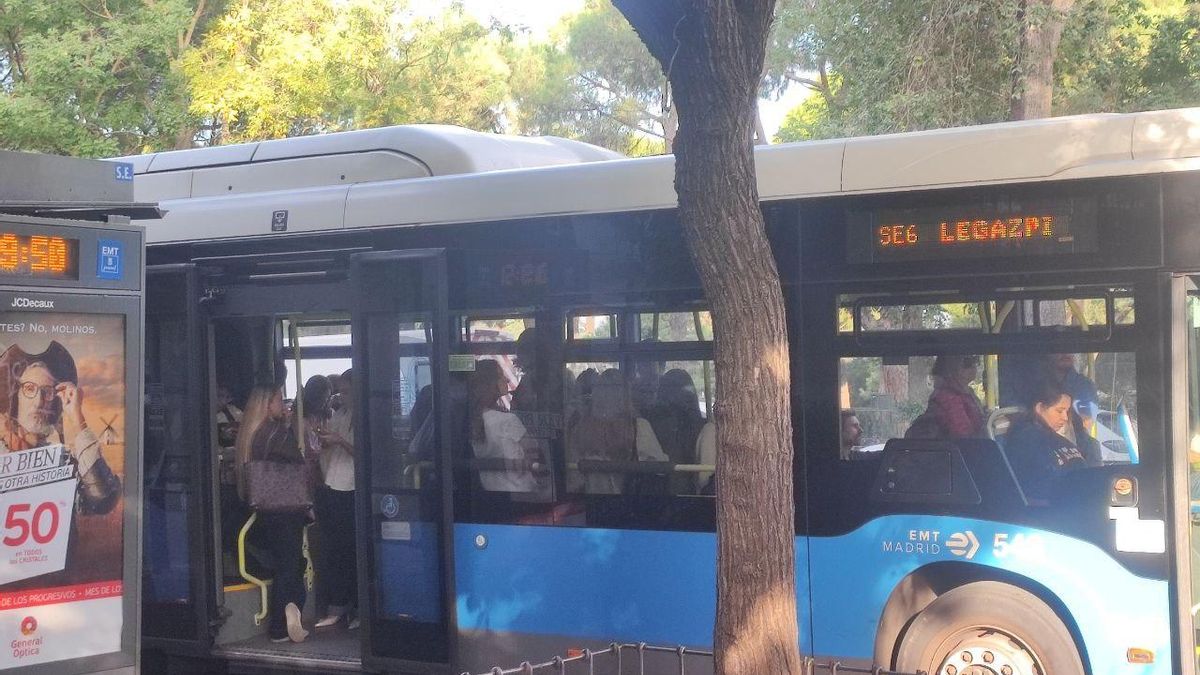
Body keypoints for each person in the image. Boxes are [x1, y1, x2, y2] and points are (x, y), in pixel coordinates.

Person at [0, 341, 120, 514]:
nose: (38, 401)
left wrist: (78, 419)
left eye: (47, 391)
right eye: (29, 388)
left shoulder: (62, 463)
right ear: (16, 397)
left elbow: (102, 500)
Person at [235, 384, 309, 643]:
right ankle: (285, 617)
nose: (282, 403)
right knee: (291, 564)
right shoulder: (276, 433)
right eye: (279, 399)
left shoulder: (250, 434)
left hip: (264, 507)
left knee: (283, 562)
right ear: (267, 405)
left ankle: (287, 613)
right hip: (287, 507)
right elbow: (298, 460)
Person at [566, 368, 668, 495]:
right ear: (626, 394)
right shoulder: (639, 426)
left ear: (596, 393)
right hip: (629, 500)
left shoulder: (581, 428)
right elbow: (659, 467)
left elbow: (574, 478)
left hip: (589, 500)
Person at [314, 369, 358, 630]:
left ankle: (354, 606)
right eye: (340, 392)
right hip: (334, 483)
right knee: (337, 550)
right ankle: (339, 605)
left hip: (353, 488)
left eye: (346, 391)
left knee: (351, 550)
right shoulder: (340, 414)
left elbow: (365, 453)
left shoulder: (366, 415)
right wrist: (326, 440)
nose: (342, 396)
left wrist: (339, 441)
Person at [1004, 378, 1087, 502]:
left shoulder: (1055, 438)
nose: (1065, 418)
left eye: (1067, 411)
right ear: (1039, 408)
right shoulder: (1025, 441)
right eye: (1059, 411)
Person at [469, 359, 539, 492]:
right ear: (490, 384)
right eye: (501, 376)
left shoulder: (471, 420)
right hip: (522, 491)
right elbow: (534, 452)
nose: (507, 379)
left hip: (490, 491)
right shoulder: (508, 420)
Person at [647, 369, 705, 492]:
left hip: (692, 485)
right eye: (673, 388)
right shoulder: (649, 423)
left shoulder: (703, 426)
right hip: (662, 485)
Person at [907, 355, 984, 439]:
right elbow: (963, 434)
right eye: (967, 363)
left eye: (975, 360)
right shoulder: (947, 397)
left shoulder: (966, 392)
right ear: (951, 368)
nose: (974, 366)